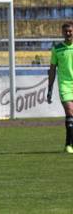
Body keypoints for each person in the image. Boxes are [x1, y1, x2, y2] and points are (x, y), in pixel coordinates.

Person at [47, 22, 73, 154]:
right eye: (66, 31)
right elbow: (52, 70)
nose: (68, 33)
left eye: (70, 31)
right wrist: (50, 88)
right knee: (69, 111)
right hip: (65, 85)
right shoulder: (56, 49)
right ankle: (68, 144)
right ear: (62, 33)